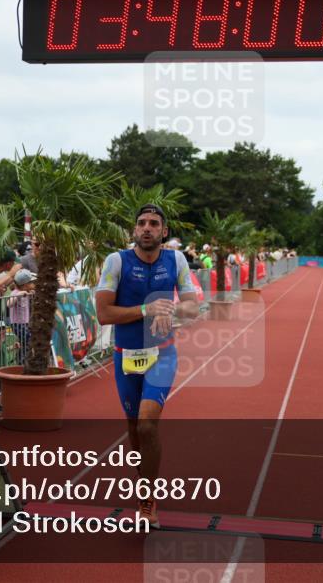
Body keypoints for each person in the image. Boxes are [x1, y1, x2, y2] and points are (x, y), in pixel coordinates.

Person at [95, 204, 199, 527]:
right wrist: (146, 309)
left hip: (162, 355)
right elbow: (103, 314)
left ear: (164, 231)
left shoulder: (176, 260)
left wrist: (169, 309)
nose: (147, 228)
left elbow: (193, 307)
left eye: (154, 223)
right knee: (134, 428)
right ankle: (145, 481)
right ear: (134, 229)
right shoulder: (116, 262)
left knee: (147, 424)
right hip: (126, 356)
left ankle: (148, 498)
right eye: (141, 223)